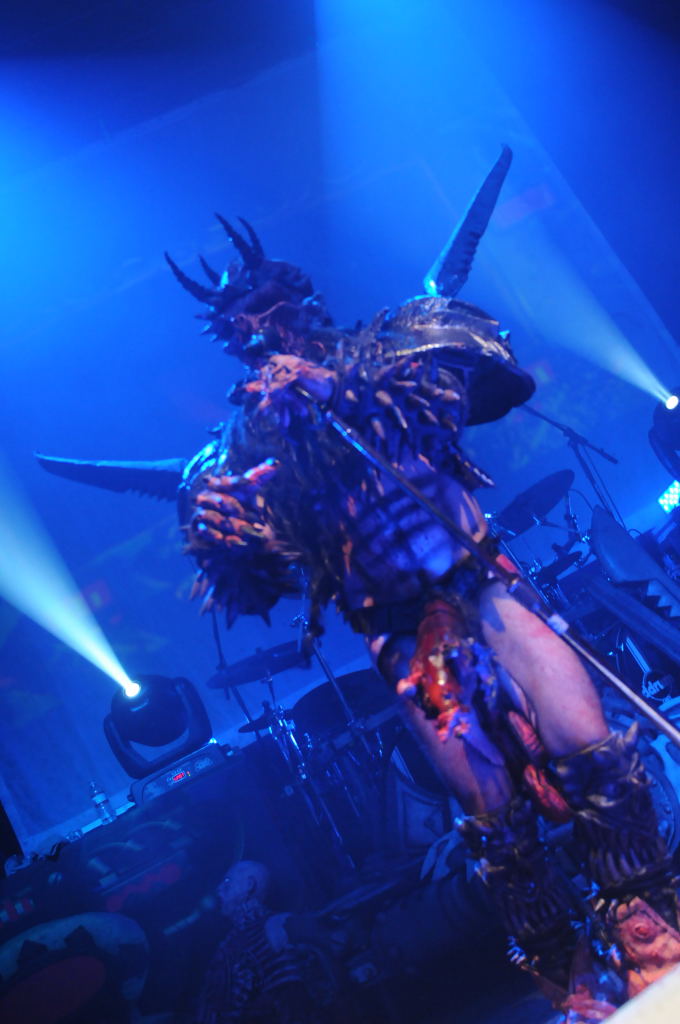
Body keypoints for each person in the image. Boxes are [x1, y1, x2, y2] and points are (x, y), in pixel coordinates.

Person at [194, 860, 324, 1024]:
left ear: (249, 885)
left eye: (227, 881)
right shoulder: (241, 939)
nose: (219, 888)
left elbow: (292, 1001)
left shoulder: (272, 929)